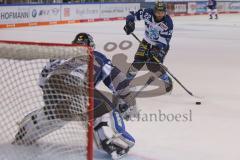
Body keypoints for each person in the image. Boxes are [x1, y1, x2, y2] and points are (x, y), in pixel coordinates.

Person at [13, 33, 137, 159]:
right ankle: (112, 141)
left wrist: (51, 94)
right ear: (91, 46)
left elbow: (43, 78)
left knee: (58, 116)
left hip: (52, 86)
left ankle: (29, 128)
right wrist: (129, 103)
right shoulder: (98, 57)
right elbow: (119, 80)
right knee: (104, 107)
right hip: (78, 88)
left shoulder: (62, 54)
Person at [124, 1, 173, 95]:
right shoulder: (147, 13)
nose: (159, 14)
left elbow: (166, 40)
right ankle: (125, 84)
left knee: (153, 66)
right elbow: (131, 15)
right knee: (137, 63)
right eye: (157, 12)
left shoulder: (168, 23)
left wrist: (157, 49)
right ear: (154, 11)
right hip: (146, 42)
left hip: (160, 45)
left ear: (165, 12)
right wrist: (129, 23)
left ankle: (167, 80)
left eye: (162, 12)